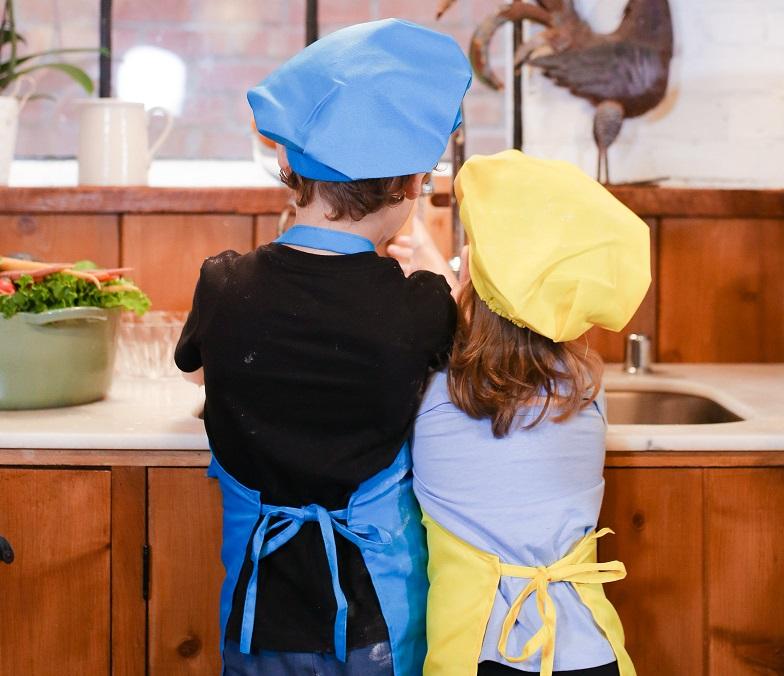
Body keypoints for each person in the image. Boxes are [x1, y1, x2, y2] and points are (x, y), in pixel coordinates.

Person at [174, 19, 471, 676]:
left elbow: (200, 374)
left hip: (256, 608)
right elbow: (468, 362)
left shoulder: (223, 285)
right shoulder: (419, 305)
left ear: (287, 165)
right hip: (377, 617)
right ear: (408, 187)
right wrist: (422, 252)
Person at [393, 150, 650, 676]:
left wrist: (428, 264)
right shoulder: (585, 394)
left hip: (480, 652)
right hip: (591, 652)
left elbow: (461, 344)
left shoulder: (431, 397)